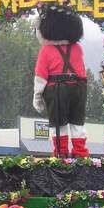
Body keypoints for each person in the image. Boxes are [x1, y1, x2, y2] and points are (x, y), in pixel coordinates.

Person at [32, 10, 89, 158]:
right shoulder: (78, 48)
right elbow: (82, 72)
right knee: (77, 122)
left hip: (56, 89)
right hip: (78, 87)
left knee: (59, 124)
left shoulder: (46, 51)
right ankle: (80, 153)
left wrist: (37, 96)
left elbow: (40, 77)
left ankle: (61, 153)